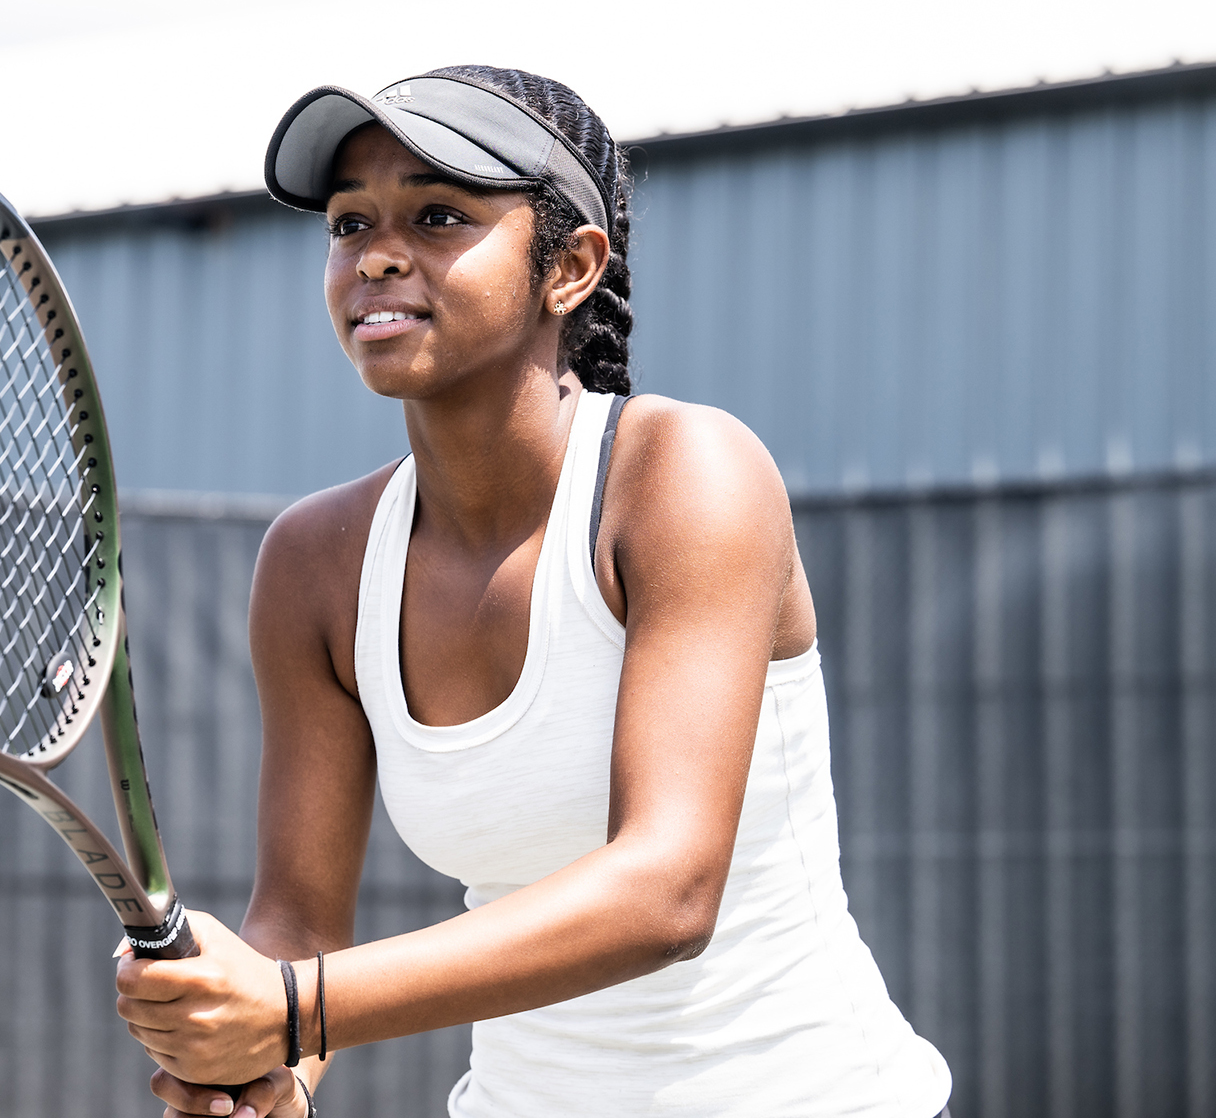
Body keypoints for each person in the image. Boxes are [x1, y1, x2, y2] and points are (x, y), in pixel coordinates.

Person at [114, 66, 954, 1118]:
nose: (375, 254)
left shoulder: (687, 475)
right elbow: (299, 922)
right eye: (348, 223)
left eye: (437, 215)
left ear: (569, 268)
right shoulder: (314, 562)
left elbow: (667, 891)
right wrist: (263, 1067)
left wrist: (292, 1009)